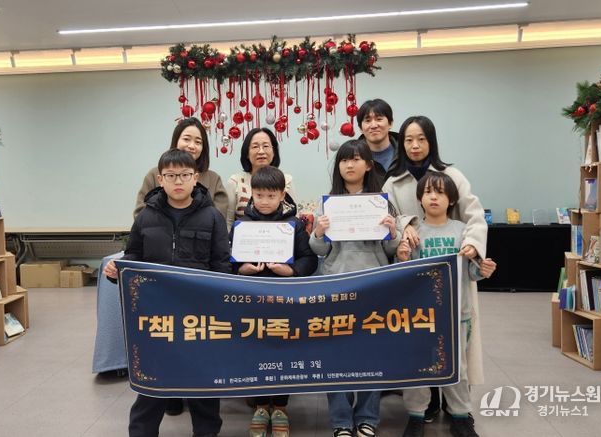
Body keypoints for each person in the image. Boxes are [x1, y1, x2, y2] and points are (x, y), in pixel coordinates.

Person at [104, 149, 230, 437]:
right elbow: (134, 256)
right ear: (160, 180)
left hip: (199, 317)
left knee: (202, 383)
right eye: (171, 175)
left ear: (196, 178)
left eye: (184, 175)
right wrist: (116, 270)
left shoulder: (212, 217)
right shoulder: (146, 217)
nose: (178, 181)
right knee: (153, 384)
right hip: (157, 317)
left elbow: (221, 266)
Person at [382, 115, 488, 424]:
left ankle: (458, 410)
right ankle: (424, 406)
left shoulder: (452, 175)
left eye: (421, 139)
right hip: (414, 273)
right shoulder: (393, 181)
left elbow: (474, 215)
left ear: (431, 141)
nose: (415, 145)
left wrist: (472, 243)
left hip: (451, 270)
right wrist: (405, 225)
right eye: (408, 140)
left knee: (455, 348)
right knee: (420, 342)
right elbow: (387, 217)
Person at [309, 139, 400, 437]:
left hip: (373, 284)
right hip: (336, 284)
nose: (349, 164)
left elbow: (392, 250)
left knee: (372, 353)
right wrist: (319, 232)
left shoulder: (382, 202)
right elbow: (319, 250)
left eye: (357, 159)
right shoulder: (328, 203)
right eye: (344, 160)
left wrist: (392, 231)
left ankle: (367, 418)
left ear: (368, 165)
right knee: (336, 354)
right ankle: (340, 421)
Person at [396, 171, 496, 437]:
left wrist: (483, 269)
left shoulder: (463, 232)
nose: (433, 197)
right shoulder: (414, 233)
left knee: (457, 367)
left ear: (451, 199)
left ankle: (460, 415)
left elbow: (471, 273)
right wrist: (402, 256)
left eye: (440, 192)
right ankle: (416, 415)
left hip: (456, 313)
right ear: (419, 198)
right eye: (428, 192)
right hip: (420, 315)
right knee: (417, 364)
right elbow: (403, 274)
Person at [229, 166, 318, 437]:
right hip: (251, 301)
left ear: (282, 195)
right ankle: (259, 406)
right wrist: (241, 269)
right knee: (255, 351)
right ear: (251, 194)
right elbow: (228, 260)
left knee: (283, 351)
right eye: (259, 195)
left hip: (284, 301)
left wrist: (291, 271)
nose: (265, 201)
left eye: (271, 196)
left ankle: (280, 407)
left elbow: (309, 259)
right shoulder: (242, 225)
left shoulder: (294, 225)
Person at [134, 117, 228, 219]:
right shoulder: (154, 174)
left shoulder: (214, 179)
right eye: (186, 139)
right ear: (176, 140)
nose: (192, 146)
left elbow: (219, 219)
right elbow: (140, 216)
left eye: (198, 142)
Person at [226, 127, 297, 228]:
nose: (261, 151)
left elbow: (294, 217)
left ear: (274, 152)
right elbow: (228, 222)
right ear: (247, 153)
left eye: (266, 146)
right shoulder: (235, 181)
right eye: (255, 147)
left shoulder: (286, 180)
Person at [356, 99, 400, 187]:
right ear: (360, 128)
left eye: (379, 119)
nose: (373, 126)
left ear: (390, 123)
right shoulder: (352, 156)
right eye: (368, 120)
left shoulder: (406, 152)